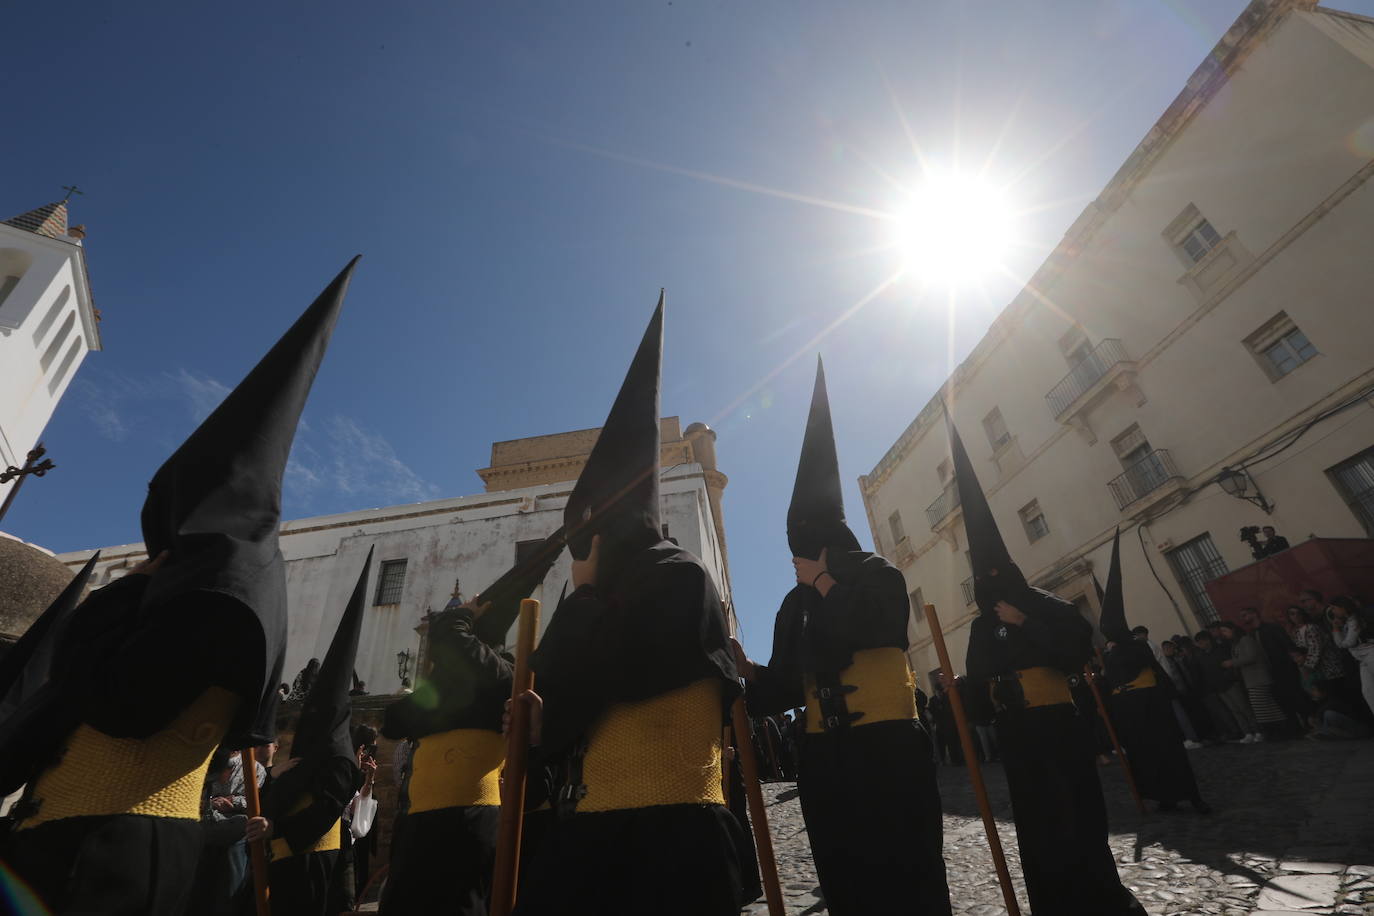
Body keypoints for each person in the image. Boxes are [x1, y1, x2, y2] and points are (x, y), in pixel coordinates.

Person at [0, 260, 357, 914]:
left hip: (99, 847)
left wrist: (112, 600)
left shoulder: (218, 591)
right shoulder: (246, 580)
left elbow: (120, 704)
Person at [513, 294, 748, 916]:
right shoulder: (600, 591)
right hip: (592, 828)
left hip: (671, 833)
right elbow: (549, 679)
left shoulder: (678, 576)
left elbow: (590, 680)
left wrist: (585, 593)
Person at [733, 357, 951, 916]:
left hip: (887, 748)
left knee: (908, 871)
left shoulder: (878, 575)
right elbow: (782, 688)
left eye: (803, 543)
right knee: (844, 874)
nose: (795, 556)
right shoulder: (791, 605)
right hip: (823, 758)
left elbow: (878, 629)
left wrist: (826, 581)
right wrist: (748, 673)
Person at [950, 426, 1144, 916]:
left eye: (998, 577)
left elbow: (1074, 653)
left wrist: (1025, 623)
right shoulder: (978, 627)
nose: (991, 587)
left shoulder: (1049, 607)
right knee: (1036, 822)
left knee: (1076, 812)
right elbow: (977, 683)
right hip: (1016, 731)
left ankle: (1099, 897)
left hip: (1058, 723)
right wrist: (967, 699)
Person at [380, 527, 559, 916]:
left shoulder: (503, 672)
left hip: (467, 817)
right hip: (419, 823)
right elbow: (393, 722)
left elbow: (449, 638)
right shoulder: (453, 685)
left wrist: (459, 616)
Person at [249, 552, 372, 916]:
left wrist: (276, 827)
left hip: (314, 857)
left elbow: (324, 811)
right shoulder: (305, 757)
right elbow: (279, 796)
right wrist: (272, 776)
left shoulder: (339, 760)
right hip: (287, 857)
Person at [1095, 530, 1209, 815]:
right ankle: (1162, 797)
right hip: (1130, 711)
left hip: (1151, 706)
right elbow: (1112, 682)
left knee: (1169, 752)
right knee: (1145, 757)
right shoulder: (1113, 653)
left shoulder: (1136, 647)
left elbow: (1140, 670)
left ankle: (1190, 795)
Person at [1237, 607, 1304, 734]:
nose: (1243, 618)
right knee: (1283, 701)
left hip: (1284, 667)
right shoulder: (1251, 634)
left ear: (1254, 614)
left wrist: (1295, 658)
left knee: (1296, 696)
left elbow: (1286, 643)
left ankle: (1307, 724)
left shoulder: (1272, 628)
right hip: (1270, 672)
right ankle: (1295, 729)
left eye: (1245, 615)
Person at [1192, 630, 1254, 742]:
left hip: (1230, 683)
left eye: (1201, 642)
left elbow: (1230, 665)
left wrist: (1227, 677)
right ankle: (1247, 732)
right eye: (1198, 643)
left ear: (1207, 640)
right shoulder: (1201, 657)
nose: (1200, 645)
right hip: (1218, 688)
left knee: (1244, 707)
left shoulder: (1220, 650)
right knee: (1234, 710)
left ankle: (1257, 730)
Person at [1329, 596, 1374, 717]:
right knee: (1368, 691)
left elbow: (1348, 643)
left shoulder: (1355, 620)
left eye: (1334, 608)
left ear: (1343, 608)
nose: (1333, 611)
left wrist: (1335, 630)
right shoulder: (1348, 621)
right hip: (1362, 659)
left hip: (1370, 655)